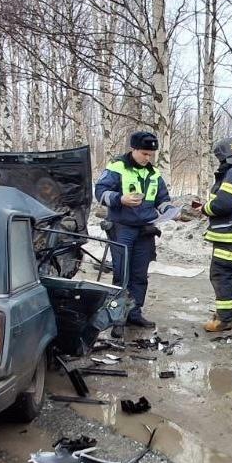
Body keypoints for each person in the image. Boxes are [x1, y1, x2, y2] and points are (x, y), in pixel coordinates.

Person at [94, 131, 174, 333]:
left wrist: (167, 209)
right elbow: (100, 192)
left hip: (145, 230)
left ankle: (134, 314)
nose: (148, 158)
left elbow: (162, 198)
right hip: (122, 228)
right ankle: (117, 319)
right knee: (122, 274)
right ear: (134, 149)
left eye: (151, 155)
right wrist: (120, 199)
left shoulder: (154, 173)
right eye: (145, 154)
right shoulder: (117, 167)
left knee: (140, 275)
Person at [199, 137, 232, 332]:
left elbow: (223, 204)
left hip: (227, 233)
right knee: (230, 273)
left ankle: (224, 318)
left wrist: (205, 209)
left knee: (220, 273)